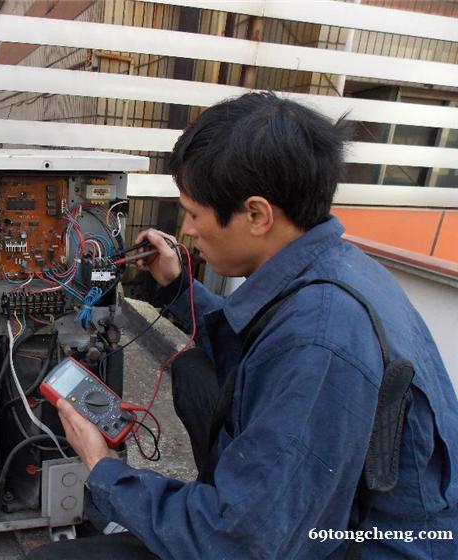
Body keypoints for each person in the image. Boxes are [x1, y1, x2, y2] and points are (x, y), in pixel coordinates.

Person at [29, 92, 458, 559]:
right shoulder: (339, 268)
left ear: (256, 214)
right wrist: (177, 288)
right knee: (194, 372)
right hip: (323, 518)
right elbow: (250, 342)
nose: (187, 230)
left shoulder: (320, 341)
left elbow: (244, 543)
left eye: (193, 213)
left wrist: (103, 466)